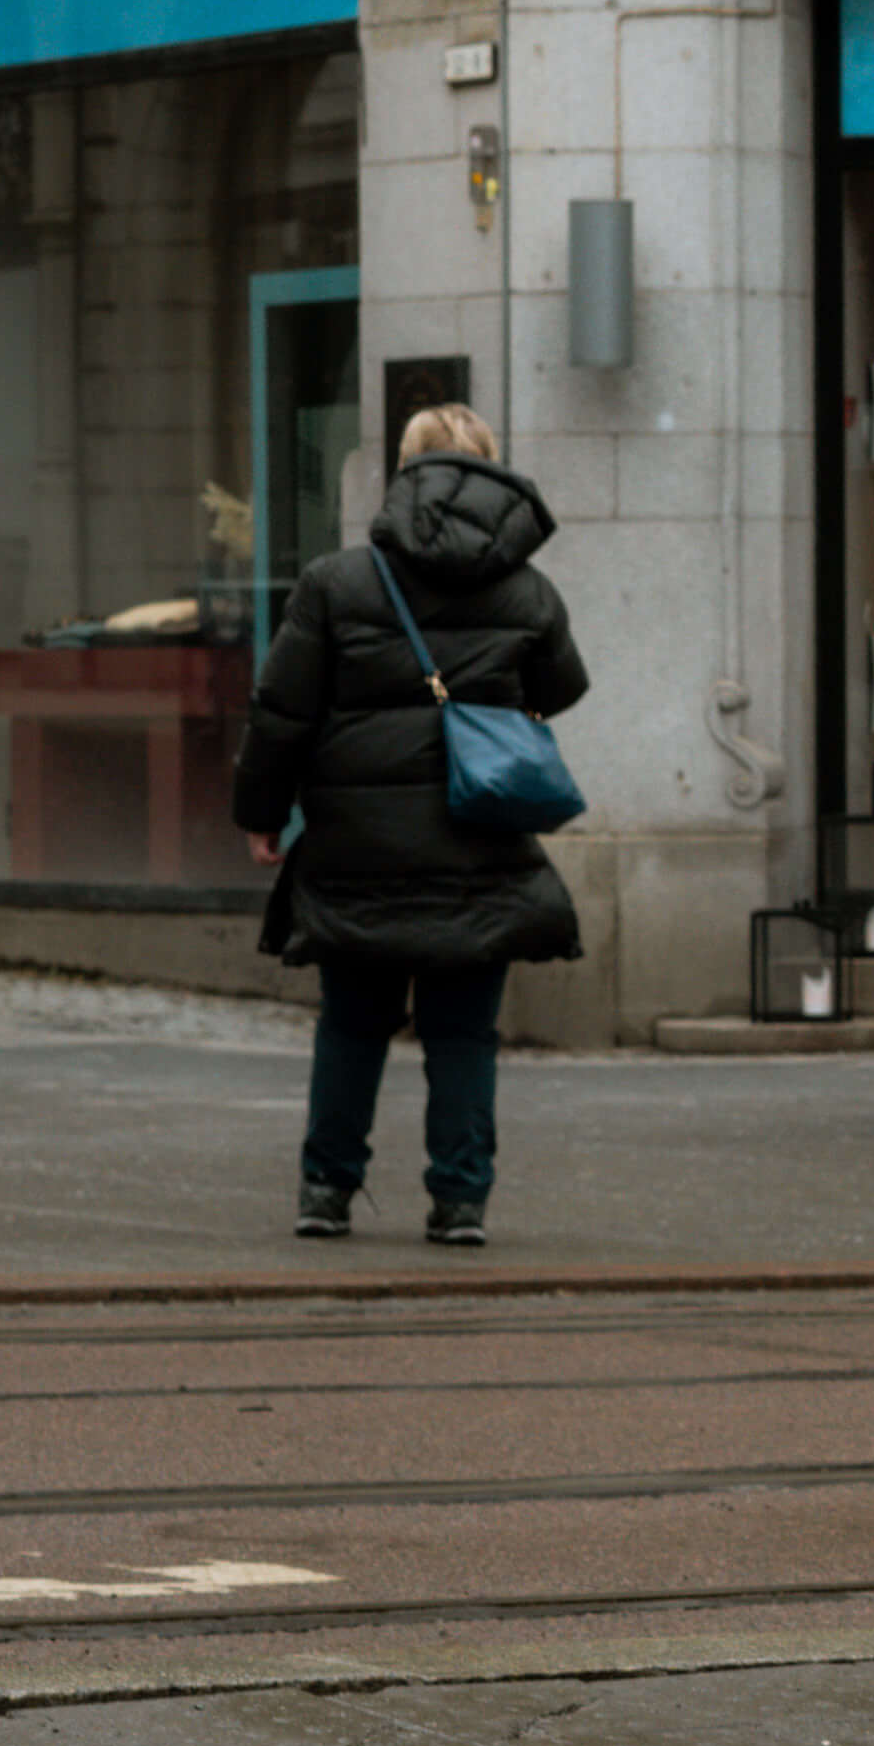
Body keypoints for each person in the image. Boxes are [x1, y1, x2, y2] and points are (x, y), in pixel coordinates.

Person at [233, 403, 589, 1251]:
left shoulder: (337, 581)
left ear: (404, 473)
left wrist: (261, 814)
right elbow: (563, 686)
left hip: (358, 839)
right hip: (481, 836)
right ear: (492, 470)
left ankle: (326, 1190)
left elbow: (282, 711)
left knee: (353, 1023)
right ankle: (460, 1200)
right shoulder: (527, 588)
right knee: (463, 1031)